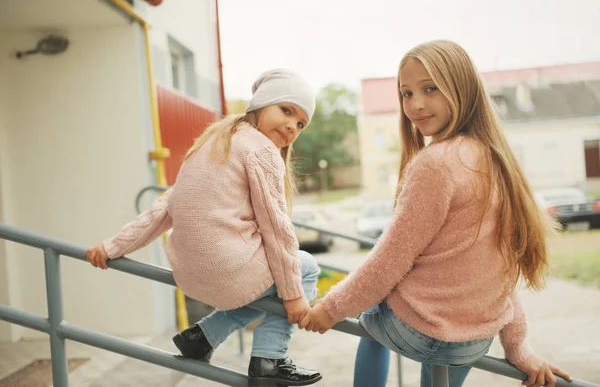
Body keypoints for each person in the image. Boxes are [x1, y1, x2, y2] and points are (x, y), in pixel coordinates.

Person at [299, 40, 572, 387]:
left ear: (462, 89)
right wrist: (519, 348)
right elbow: (500, 266)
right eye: (407, 93)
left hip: (420, 333)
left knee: (372, 308)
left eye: (430, 88)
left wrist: (330, 308)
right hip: (473, 342)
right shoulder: (497, 159)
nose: (416, 104)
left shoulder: (436, 164)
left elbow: (390, 260)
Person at [87, 69, 323, 386]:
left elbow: (164, 208)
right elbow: (278, 230)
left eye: (301, 123)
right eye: (287, 110)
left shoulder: (214, 141)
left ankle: (201, 337)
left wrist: (113, 246)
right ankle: (271, 358)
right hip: (228, 270)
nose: (292, 126)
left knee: (265, 285)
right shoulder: (262, 151)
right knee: (304, 268)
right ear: (262, 103)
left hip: (190, 276)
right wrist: (295, 296)